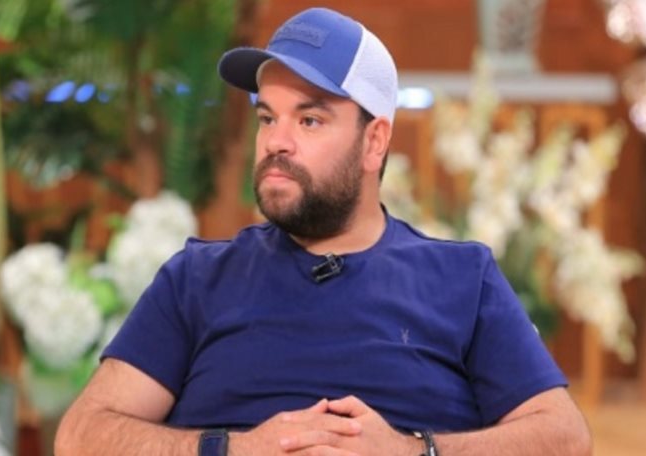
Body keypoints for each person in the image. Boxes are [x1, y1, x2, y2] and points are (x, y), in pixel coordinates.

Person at [55, 7, 591, 456]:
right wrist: (236, 449)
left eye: (309, 120)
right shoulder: (196, 278)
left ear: (374, 142)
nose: (276, 142)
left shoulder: (463, 278)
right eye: (268, 118)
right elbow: (81, 435)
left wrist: (411, 451)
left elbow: (565, 438)